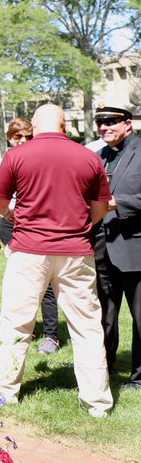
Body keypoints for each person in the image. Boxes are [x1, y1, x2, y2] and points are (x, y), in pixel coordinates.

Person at [0, 104, 112, 417]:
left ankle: (4, 393)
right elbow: (101, 206)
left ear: (34, 126)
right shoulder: (88, 157)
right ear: (65, 125)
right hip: (76, 251)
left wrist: (11, 215)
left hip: (29, 250)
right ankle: (97, 402)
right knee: (86, 326)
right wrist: (81, 224)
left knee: (16, 322)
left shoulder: (17, 155)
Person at [0, 118, 62, 354]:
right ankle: (24, 330)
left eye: (27, 136)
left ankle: (51, 335)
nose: (22, 141)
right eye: (17, 136)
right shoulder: (5, 161)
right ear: (9, 138)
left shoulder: (41, 159)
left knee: (46, 282)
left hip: (37, 224)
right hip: (10, 223)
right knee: (20, 280)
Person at [91, 105, 141, 390]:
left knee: (140, 318)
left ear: (127, 124)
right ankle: (103, 372)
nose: (104, 127)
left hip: (135, 249)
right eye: (100, 122)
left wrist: (116, 202)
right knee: (103, 317)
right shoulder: (99, 157)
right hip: (101, 249)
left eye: (110, 121)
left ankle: (139, 378)